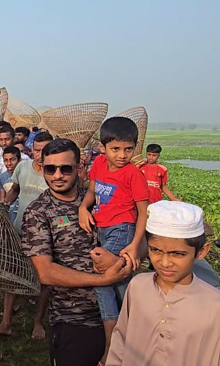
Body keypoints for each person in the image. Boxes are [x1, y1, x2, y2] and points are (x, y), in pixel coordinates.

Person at [106, 201, 220, 366]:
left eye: (177, 254)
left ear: (201, 251)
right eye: (156, 250)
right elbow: (120, 341)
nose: (165, 262)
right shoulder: (138, 286)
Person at [22, 138, 133, 366]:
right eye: (51, 169)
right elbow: (46, 272)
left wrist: (128, 257)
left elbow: (133, 231)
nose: (58, 175)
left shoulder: (99, 200)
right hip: (74, 319)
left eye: (66, 168)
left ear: (79, 167)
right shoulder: (38, 211)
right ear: (42, 168)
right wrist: (103, 279)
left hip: (123, 314)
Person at [78, 117, 149, 363]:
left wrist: (135, 245)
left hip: (123, 230)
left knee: (101, 276)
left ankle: (111, 348)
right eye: (115, 149)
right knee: (119, 285)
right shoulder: (98, 164)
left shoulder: (133, 175)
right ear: (102, 147)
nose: (122, 155)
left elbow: (143, 212)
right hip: (104, 230)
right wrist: (82, 209)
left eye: (128, 149)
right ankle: (136, 335)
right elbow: (91, 192)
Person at [0, 131, 54, 339]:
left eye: (45, 151)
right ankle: (6, 322)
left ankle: (37, 323)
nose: (40, 155)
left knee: (44, 280)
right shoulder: (23, 167)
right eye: (36, 150)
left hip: (44, 236)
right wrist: (6, 202)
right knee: (14, 275)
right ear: (31, 150)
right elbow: (15, 189)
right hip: (19, 230)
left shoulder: (55, 173)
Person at [0, 146, 21, 222]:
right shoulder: (2, 177)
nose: (9, 163)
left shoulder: (25, 175)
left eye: (12, 160)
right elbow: (2, 198)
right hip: (10, 218)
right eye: (6, 160)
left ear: (19, 160)